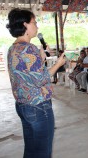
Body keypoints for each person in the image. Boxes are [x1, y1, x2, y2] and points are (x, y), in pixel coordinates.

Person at [6, 8, 66, 157]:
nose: (37, 26)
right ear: (25, 25)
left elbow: (28, 73)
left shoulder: (13, 48)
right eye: (35, 22)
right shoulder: (29, 48)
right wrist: (58, 64)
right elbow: (41, 79)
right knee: (42, 152)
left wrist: (41, 56)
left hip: (23, 105)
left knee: (31, 149)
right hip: (38, 106)